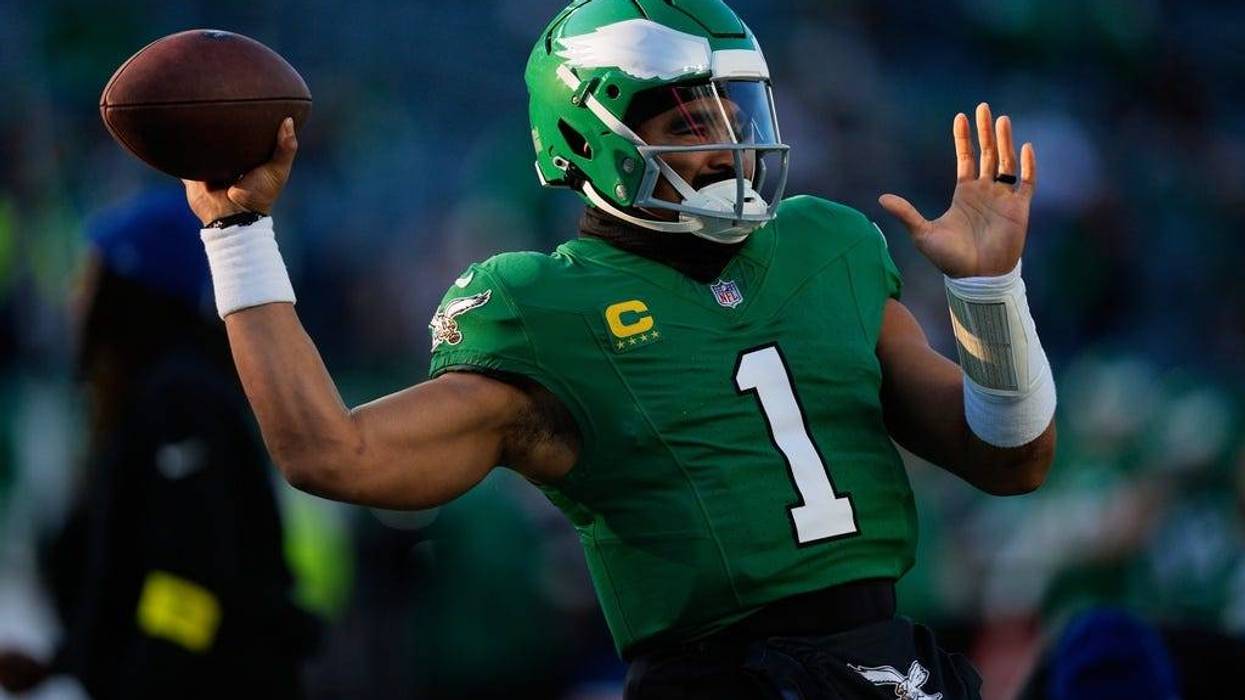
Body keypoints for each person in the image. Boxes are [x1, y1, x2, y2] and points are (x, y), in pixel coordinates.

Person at [180, 1, 1056, 697]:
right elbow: (328, 453)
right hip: (721, 681)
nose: (724, 143)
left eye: (730, 108)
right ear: (585, 139)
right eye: (684, 123)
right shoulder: (543, 304)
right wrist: (239, 232)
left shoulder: (827, 245)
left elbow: (1008, 459)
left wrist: (989, 291)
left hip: (892, 668)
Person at [0, 189, 317, 699]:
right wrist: (64, 661)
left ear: (131, 287)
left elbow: (189, 579)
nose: (76, 295)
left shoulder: (179, 400)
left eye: (91, 274)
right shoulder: (159, 395)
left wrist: (144, 680)